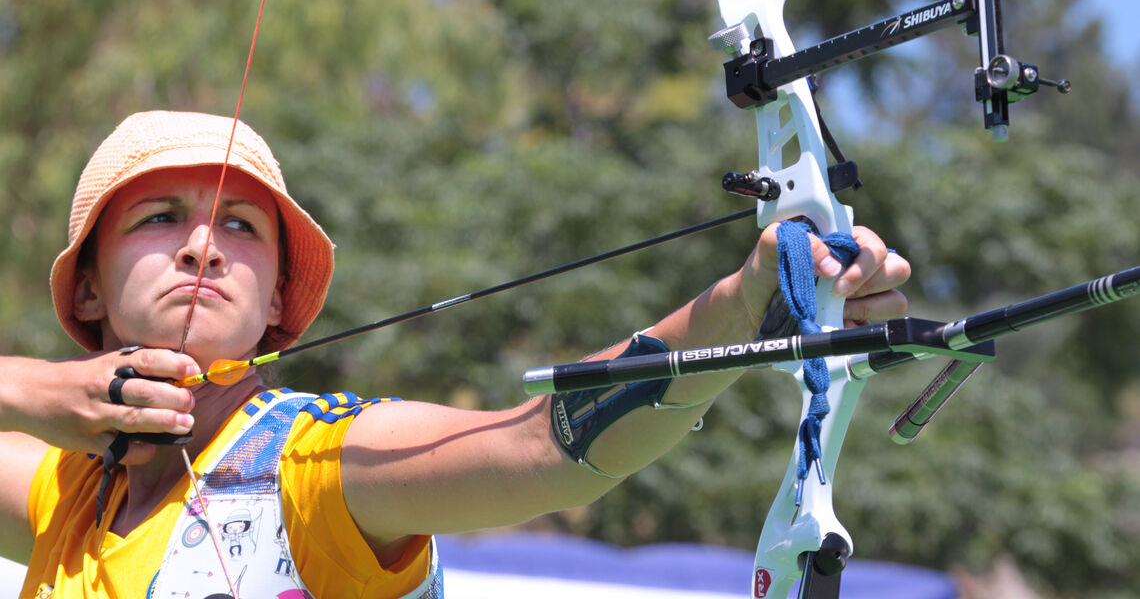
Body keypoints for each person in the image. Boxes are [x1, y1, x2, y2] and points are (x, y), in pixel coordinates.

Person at [0, 111, 910, 598]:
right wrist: (33, 386)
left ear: (278, 298)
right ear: (86, 289)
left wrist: (742, 300)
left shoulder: (315, 465)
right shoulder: (59, 496)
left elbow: (539, 449)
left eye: (239, 227)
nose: (202, 247)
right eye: (160, 219)